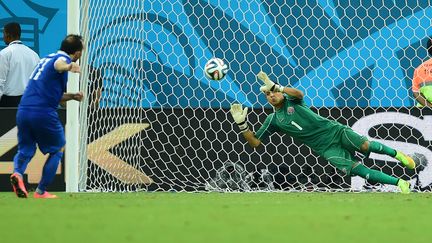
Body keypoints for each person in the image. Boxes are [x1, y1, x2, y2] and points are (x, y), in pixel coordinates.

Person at [230, 71, 416, 193]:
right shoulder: (272, 120)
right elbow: (255, 143)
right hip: (326, 148)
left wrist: (277, 86)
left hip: (335, 131)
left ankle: (399, 155)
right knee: (358, 170)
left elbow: (299, 94)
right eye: (267, 94)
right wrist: (242, 125)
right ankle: (401, 183)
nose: (271, 95)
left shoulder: (291, 101)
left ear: (280, 92)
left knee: (366, 145)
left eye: (273, 92)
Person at [10, 34, 84, 199]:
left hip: (24, 110)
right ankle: (41, 191)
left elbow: (53, 95)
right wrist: (70, 67)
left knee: (26, 149)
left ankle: (18, 174)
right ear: (78, 53)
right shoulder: (62, 59)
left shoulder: (46, 58)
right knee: (57, 150)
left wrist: (72, 96)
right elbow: (59, 65)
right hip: (42, 112)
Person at [0, 22, 39, 107]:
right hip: (30, 102)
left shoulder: (4, 54)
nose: (3, 37)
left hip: (8, 103)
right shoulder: (34, 55)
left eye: (3, 34)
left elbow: (0, 81)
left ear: (8, 35)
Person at [412, 38, 432, 107]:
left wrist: (429, 107)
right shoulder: (419, 69)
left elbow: (416, 93)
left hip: (423, 111)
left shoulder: (420, 68)